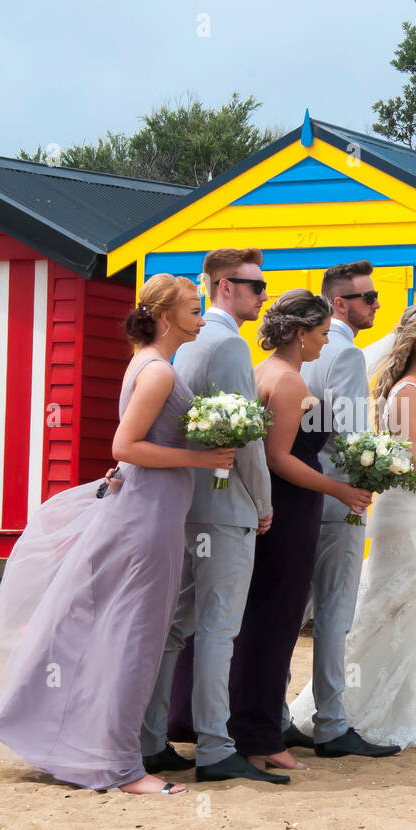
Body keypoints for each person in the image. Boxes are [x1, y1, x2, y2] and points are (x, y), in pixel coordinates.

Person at [0, 274, 233, 794]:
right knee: (135, 637)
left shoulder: (151, 364)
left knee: (111, 629)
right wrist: (200, 457)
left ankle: (70, 738)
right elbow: (125, 445)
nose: (200, 315)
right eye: (191, 307)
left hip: (149, 510)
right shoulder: (158, 371)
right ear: (164, 316)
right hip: (149, 518)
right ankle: (123, 767)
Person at [176, 289, 372, 772]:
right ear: (301, 333)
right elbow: (278, 457)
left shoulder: (262, 371)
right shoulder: (285, 382)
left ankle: (240, 724)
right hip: (289, 510)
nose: (328, 344)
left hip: (273, 510)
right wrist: (339, 490)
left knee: (254, 619)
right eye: (323, 333)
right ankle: (262, 735)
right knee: (276, 623)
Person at [290, 305, 416, 749]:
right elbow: (411, 459)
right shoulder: (406, 393)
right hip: (414, 516)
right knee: (387, 609)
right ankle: (343, 711)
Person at [139, 248, 279, 785]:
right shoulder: (227, 345)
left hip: (191, 503)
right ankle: (216, 747)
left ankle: (152, 737)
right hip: (225, 504)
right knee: (220, 628)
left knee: (179, 626)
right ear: (226, 287)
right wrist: (263, 504)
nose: (263, 295)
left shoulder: (193, 346)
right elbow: (247, 436)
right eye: (255, 285)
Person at [284, 261, 400, 759]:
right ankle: (330, 722)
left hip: (294, 491)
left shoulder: (296, 350)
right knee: (334, 615)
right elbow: (352, 433)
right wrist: (370, 477)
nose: (376, 305)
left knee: (287, 612)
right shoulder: (346, 352)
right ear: (339, 304)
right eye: (368, 298)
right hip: (337, 496)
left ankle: (277, 713)